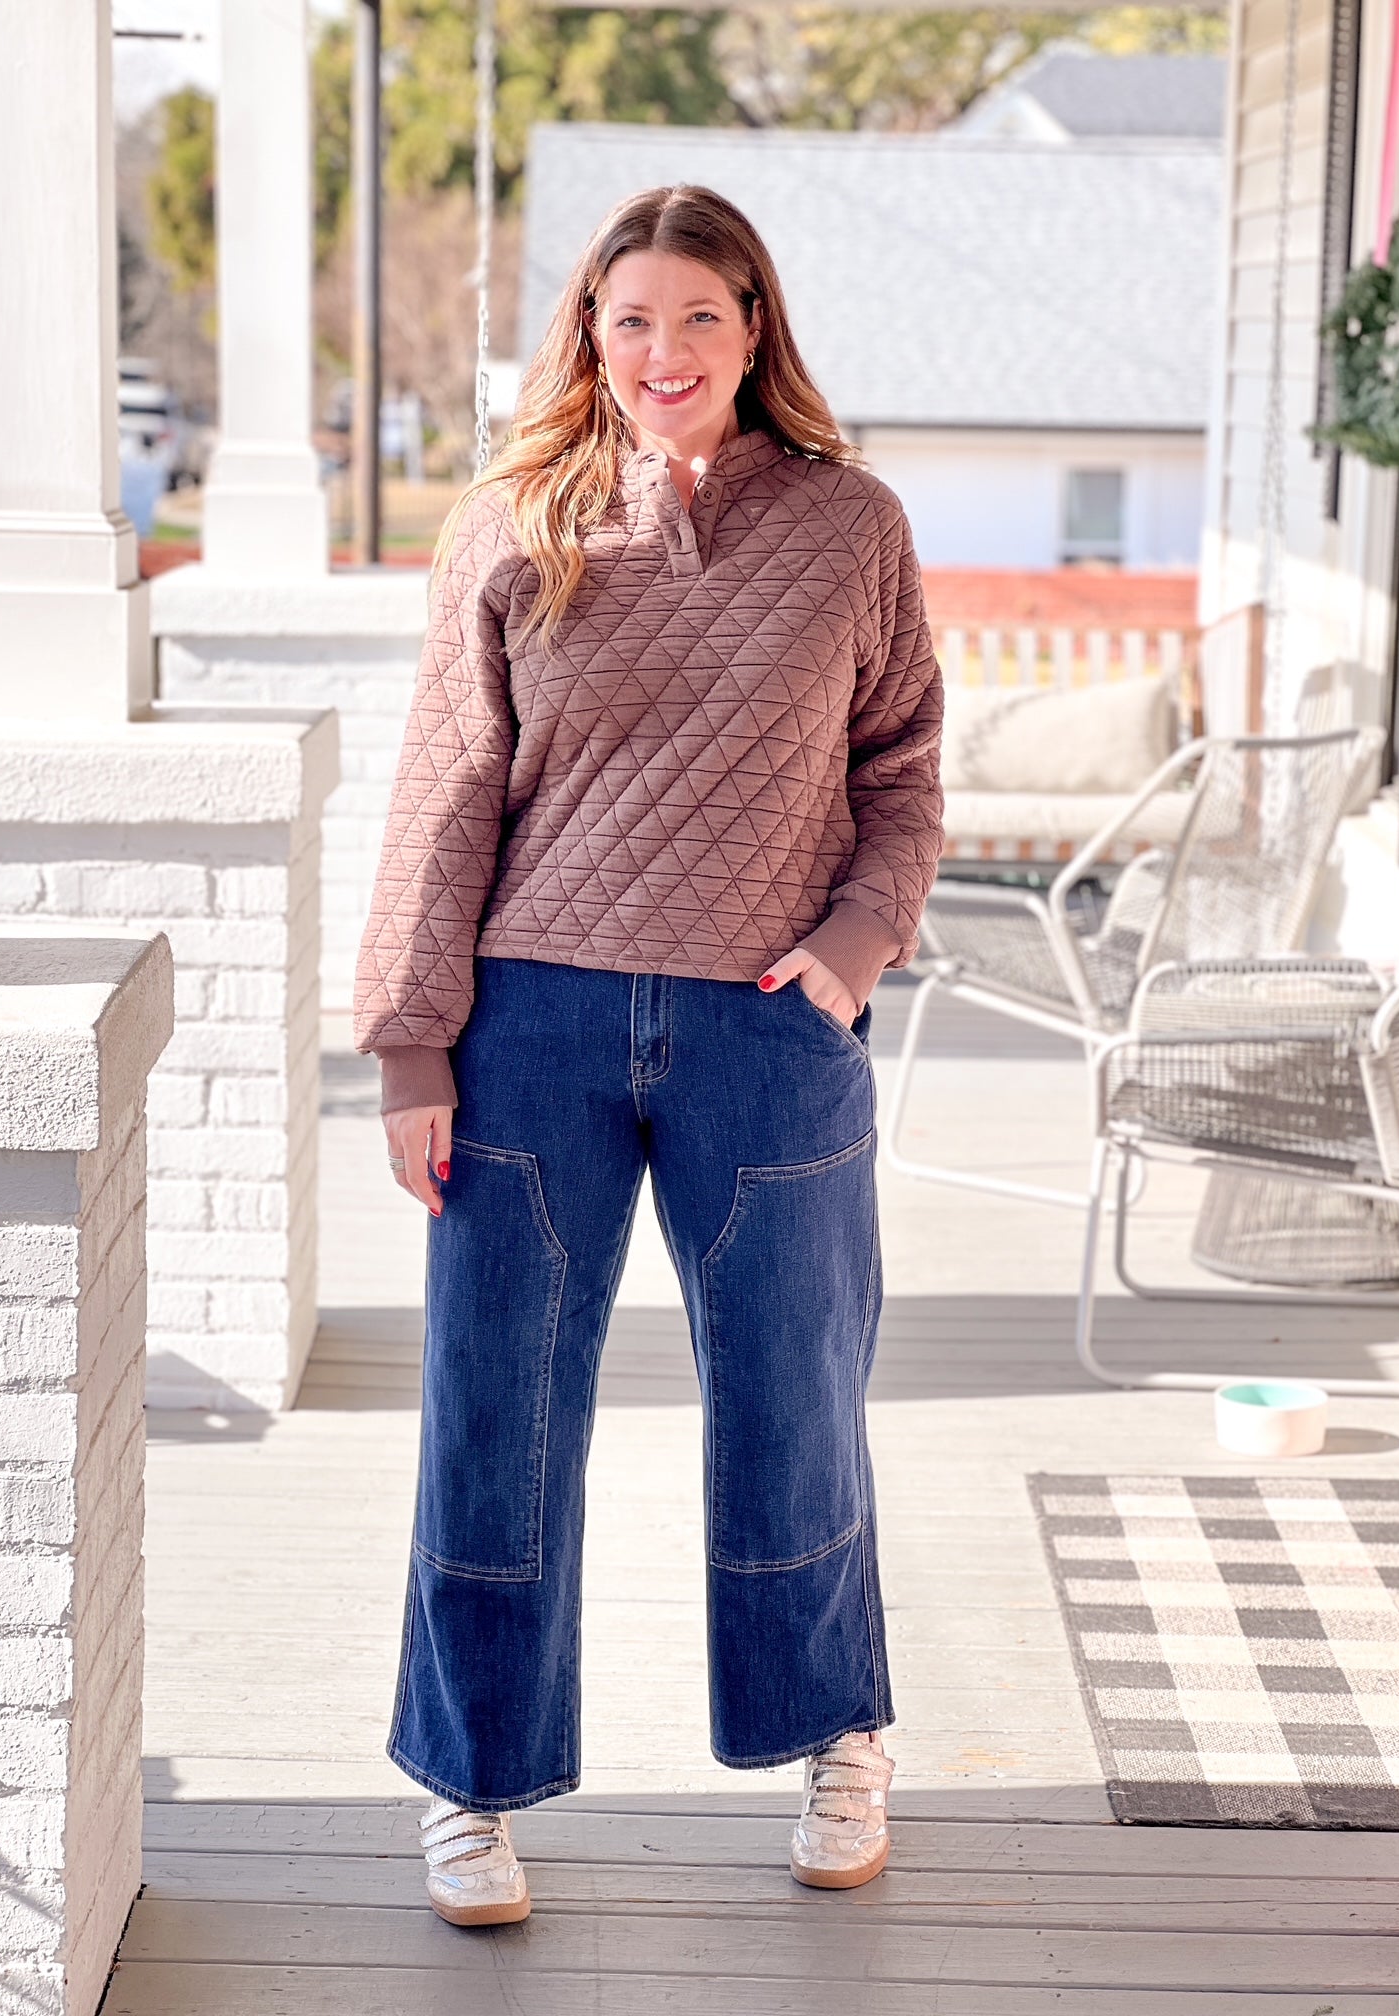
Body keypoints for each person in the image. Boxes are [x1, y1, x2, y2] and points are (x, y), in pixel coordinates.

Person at [354, 182, 944, 1928]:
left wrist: (854, 949)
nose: (665, 350)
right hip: (529, 1028)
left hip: (768, 1028)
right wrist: (411, 1047)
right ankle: (473, 1779)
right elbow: (446, 791)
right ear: (590, 336)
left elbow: (903, 770)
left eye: (700, 316)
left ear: (754, 328)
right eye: (633, 320)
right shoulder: (511, 519)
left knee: (794, 1401)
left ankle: (838, 1735)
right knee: (497, 1409)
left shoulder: (851, 526)